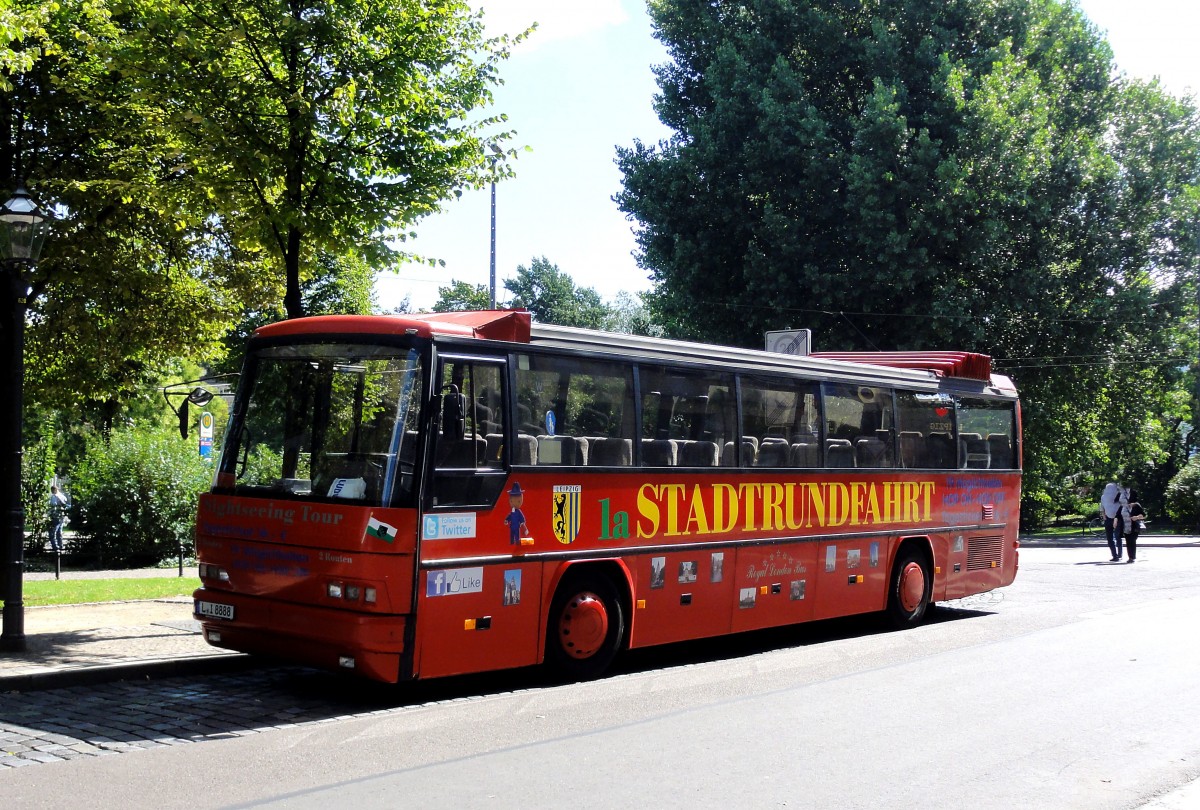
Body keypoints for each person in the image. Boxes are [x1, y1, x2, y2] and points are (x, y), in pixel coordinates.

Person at [1100, 481, 1125, 561]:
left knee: (1110, 538)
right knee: (1118, 537)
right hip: (1117, 519)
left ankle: (1115, 556)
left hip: (1109, 518)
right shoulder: (1119, 495)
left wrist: (1104, 517)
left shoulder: (1103, 497)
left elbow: (1102, 509)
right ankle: (1119, 555)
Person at [1123, 489, 1146, 563]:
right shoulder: (1124, 506)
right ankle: (1130, 556)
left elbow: (1143, 516)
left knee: (1132, 541)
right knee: (1128, 541)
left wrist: (1136, 517)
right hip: (1126, 526)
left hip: (1134, 526)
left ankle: (1132, 557)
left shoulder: (1136, 505)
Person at [47, 484, 68, 553]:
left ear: (54, 490)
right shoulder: (62, 496)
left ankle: (55, 547)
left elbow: (53, 506)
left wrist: (49, 514)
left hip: (55, 516)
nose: (52, 492)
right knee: (59, 532)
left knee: (52, 532)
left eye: (52, 490)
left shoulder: (54, 497)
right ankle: (61, 546)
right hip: (62, 516)